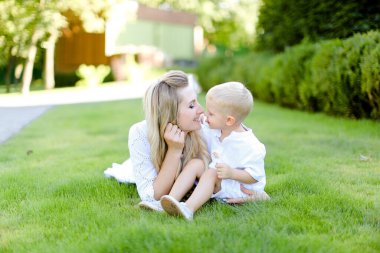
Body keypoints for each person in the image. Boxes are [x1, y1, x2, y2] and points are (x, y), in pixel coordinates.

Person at [160, 81, 270, 220]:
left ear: (229, 120)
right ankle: (168, 201)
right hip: (221, 179)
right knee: (196, 164)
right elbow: (201, 125)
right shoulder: (217, 128)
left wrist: (232, 173)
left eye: (211, 113)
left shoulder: (251, 145)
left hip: (238, 188)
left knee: (212, 173)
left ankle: (188, 208)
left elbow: (255, 176)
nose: (205, 114)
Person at [128, 70, 210, 211]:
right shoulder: (140, 133)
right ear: (169, 114)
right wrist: (174, 150)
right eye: (191, 105)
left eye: (197, 102)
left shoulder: (205, 125)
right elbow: (152, 197)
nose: (201, 110)